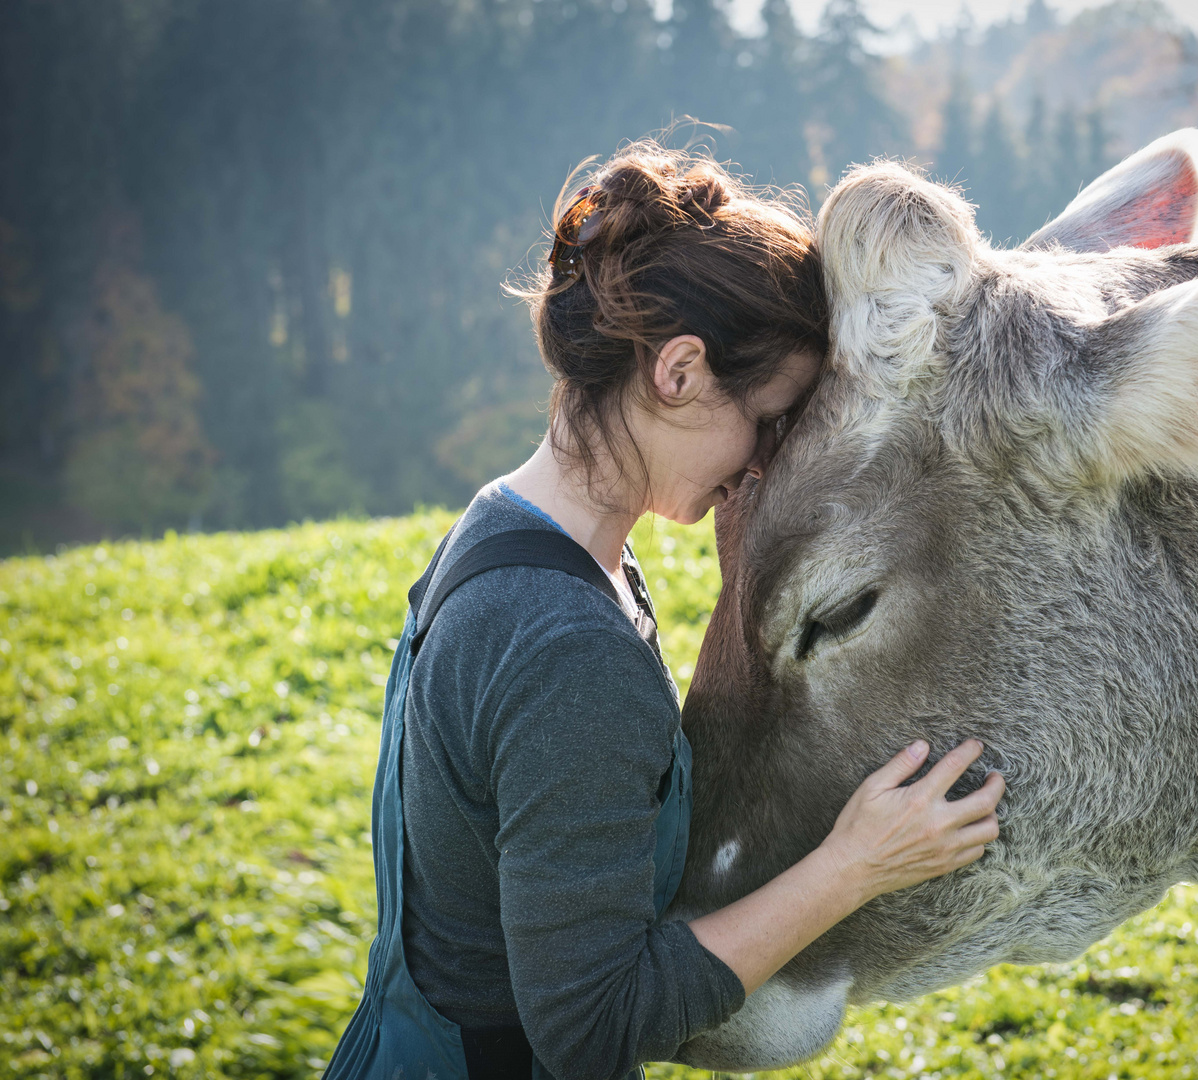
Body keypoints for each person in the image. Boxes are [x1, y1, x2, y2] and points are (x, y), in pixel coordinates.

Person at [325, 143, 1005, 1080]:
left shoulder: (502, 529)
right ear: (678, 372)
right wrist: (856, 864)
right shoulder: (565, 647)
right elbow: (593, 1028)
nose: (766, 460)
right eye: (767, 419)